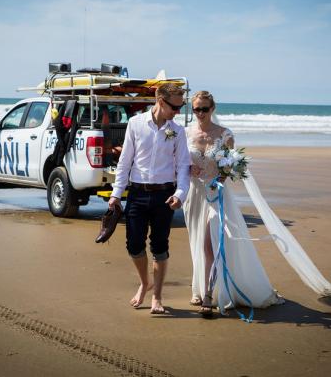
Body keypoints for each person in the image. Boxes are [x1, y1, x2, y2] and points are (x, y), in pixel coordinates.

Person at [184, 91, 331, 318]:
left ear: (213, 109)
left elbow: (230, 167)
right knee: (198, 241)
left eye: (204, 108)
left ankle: (208, 296)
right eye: (196, 109)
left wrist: (220, 180)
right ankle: (202, 287)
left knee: (210, 243)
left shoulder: (225, 135)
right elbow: (178, 163)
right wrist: (187, 169)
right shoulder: (186, 133)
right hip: (194, 195)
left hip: (217, 195)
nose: (200, 113)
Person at [109, 83, 190, 314]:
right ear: (160, 101)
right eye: (175, 107)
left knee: (159, 246)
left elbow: (184, 166)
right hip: (137, 193)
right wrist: (116, 194)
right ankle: (145, 282)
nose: (177, 112)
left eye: (181, 106)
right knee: (134, 245)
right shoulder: (135, 124)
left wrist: (180, 194)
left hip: (165, 195)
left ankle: (157, 296)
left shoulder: (178, 131)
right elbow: (125, 161)